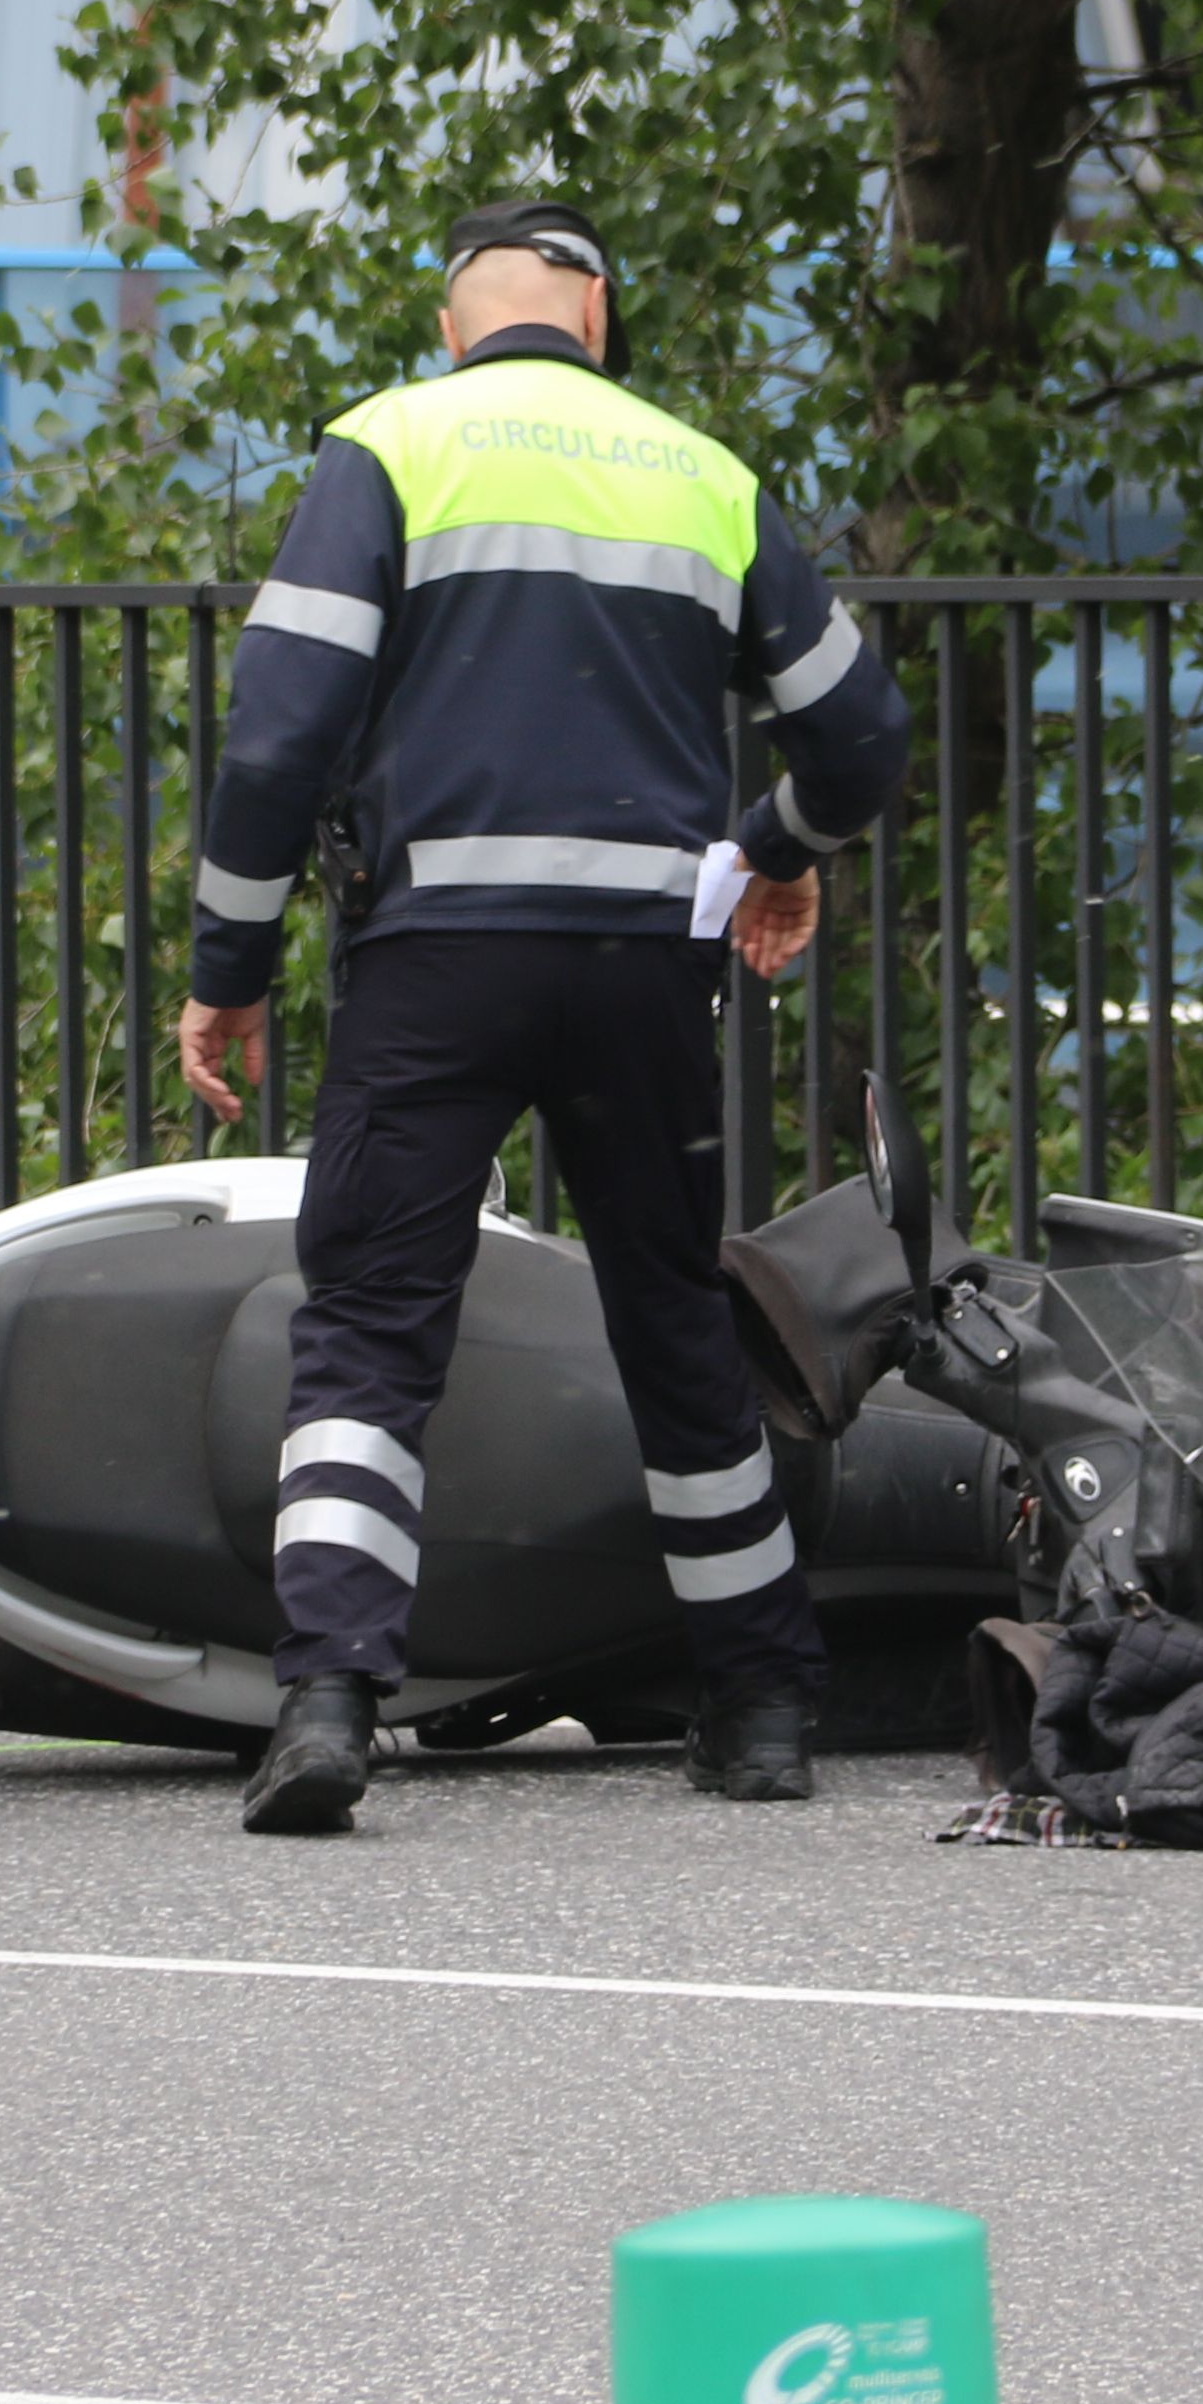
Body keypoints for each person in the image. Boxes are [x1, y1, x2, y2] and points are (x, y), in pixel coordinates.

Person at [175, 197, 915, 1837]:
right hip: (646, 967)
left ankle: (329, 1702)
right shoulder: (699, 473)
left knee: (371, 1320)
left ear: (457, 325)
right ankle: (764, 1701)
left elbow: (278, 737)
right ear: (599, 314)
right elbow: (863, 736)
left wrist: (226, 969)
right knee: (673, 1315)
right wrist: (772, 854)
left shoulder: (391, 444)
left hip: (437, 960)